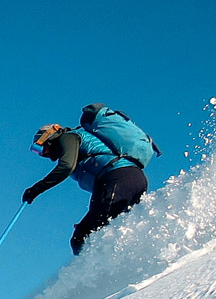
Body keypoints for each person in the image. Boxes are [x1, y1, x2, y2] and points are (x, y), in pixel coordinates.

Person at [22, 104, 158, 254]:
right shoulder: (76, 144)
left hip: (118, 177)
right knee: (89, 235)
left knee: (88, 235)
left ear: (49, 138)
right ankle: (134, 264)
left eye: (40, 149)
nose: (43, 154)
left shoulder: (68, 137)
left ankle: (108, 274)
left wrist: (36, 189)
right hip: (130, 179)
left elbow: (66, 167)